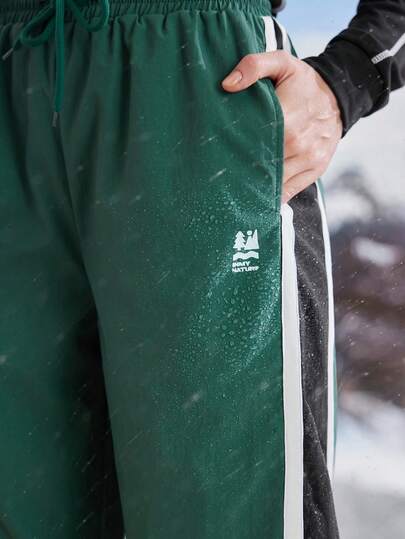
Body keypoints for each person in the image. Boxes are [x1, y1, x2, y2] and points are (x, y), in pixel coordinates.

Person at [0, 0, 404, 537]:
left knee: (223, 511)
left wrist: (355, 70)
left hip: (197, 74)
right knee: (26, 500)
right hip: (15, 75)